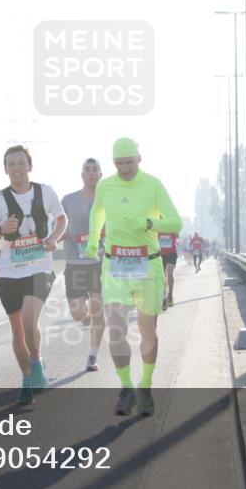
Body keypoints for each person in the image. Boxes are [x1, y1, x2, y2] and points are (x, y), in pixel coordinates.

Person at [84, 138, 182, 416]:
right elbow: (97, 214)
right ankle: (126, 388)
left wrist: (149, 223)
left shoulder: (153, 185)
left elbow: (175, 221)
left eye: (129, 162)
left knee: (148, 329)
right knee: (116, 327)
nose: (124, 168)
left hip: (148, 266)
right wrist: (93, 241)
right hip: (115, 266)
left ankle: (146, 386)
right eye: (118, 163)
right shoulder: (105, 186)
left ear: (139, 159)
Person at [0, 145, 67, 404]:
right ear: (5, 169)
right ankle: (28, 377)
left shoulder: (45, 192)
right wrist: (0, 229)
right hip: (9, 273)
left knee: (30, 320)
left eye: (21, 163)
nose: (16, 169)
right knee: (18, 331)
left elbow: (62, 219)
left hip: (40, 267)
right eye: (11, 164)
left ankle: (36, 363)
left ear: (29, 166)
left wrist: (53, 238)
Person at [60, 158, 105, 371]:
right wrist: (57, 236)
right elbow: (58, 226)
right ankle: (85, 316)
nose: (90, 173)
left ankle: (92, 356)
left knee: (98, 309)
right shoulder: (68, 200)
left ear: (100, 175)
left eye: (94, 169)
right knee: (77, 313)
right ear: (81, 175)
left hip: (100, 262)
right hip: (74, 262)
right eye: (87, 170)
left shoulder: (109, 200)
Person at [158, 229, 178, 310]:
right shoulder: (157, 226)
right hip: (160, 254)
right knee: (162, 275)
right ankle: (164, 297)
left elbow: (177, 235)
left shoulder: (171, 226)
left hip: (172, 253)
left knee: (169, 273)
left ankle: (170, 294)